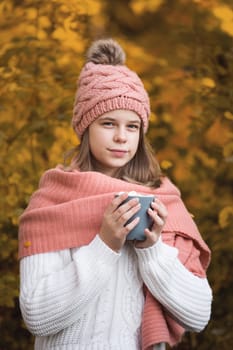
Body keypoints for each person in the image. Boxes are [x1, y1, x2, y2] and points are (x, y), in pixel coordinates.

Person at [19, 38, 212, 350]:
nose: (122, 137)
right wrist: (105, 244)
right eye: (108, 123)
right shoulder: (54, 201)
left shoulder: (164, 201)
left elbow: (199, 315)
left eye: (133, 126)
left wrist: (152, 250)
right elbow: (38, 316)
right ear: (86, 128)